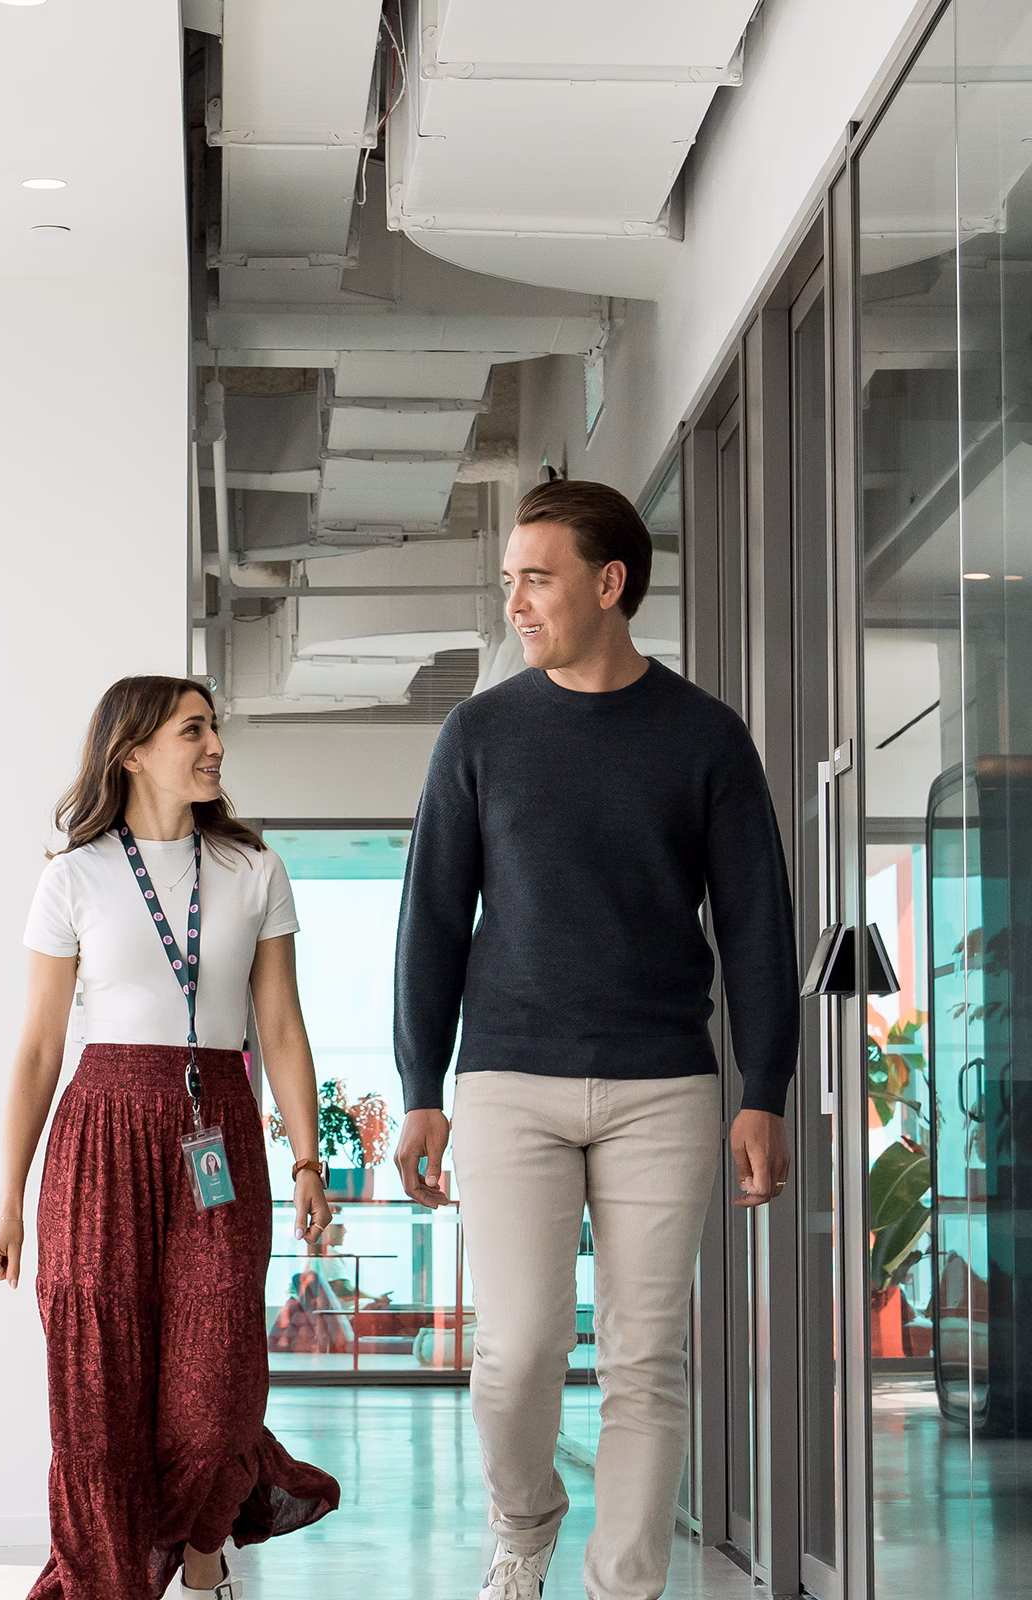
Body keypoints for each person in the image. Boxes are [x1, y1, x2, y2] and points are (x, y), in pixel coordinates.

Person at [390, 480, 798, 1600]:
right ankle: (525, 1517)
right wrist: (419, 1086)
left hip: (664, 1085)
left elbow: (759, 919)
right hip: (507, 1082)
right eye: (509, 577)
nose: (515, 599)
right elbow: (431, 917)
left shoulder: (706, 737)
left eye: (537, 576)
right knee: (515, 1351)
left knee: (645, 1361)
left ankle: (625, 1585)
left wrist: (764, 1083)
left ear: (609, 584)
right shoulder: (479, 733)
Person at [0, 675, 341, 1600]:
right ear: (133, 750)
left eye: (215, 726)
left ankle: (203, 1539)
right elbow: (37, 1050)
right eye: (194, 729)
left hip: (216, 1130)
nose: (215, 743)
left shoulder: (254, 870)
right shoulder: (74, 876)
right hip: (99, 1133)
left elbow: (284, 1028)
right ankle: (109, 1584)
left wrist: (307, 1157)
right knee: (96, 1393)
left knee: (216, 1396)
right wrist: (8, 1200)